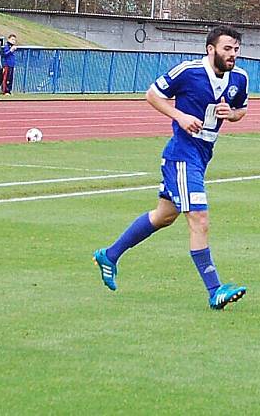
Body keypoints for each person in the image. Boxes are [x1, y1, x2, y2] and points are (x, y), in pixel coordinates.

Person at [92, 26, 249, 310]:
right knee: (199, 219)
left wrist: (233, 114)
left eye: (236, 49)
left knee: (164, 215)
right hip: (182, 153)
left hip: (203, 154)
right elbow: (152, 94)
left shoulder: (239, 78)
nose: (233, 54)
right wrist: (179, 115)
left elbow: (242, 109)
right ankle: (215, 290)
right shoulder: (188, 72)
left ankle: (109, 255)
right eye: (227, 49)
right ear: (210, 49)